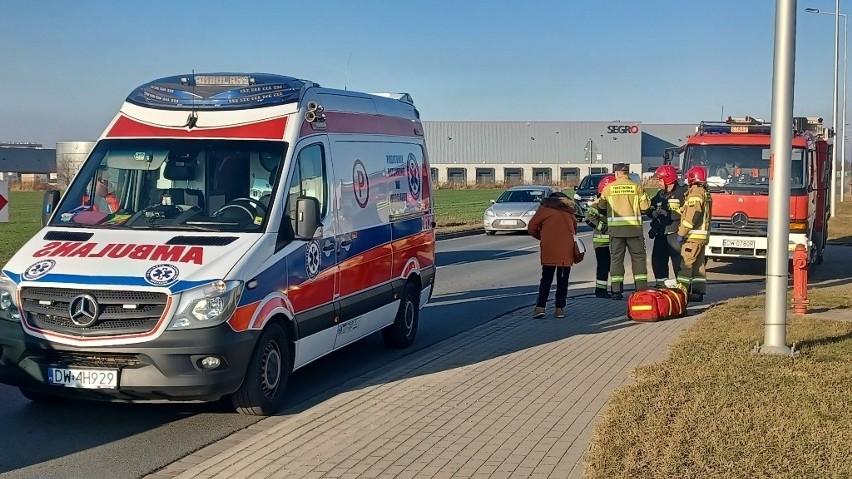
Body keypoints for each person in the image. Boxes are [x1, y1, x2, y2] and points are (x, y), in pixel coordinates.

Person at [591, 163, 651, 300]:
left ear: (616, 173)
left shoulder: (608, 189)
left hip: (616, 232)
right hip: (634, 231)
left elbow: (601, 206)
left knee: (616, 260)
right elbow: (645, 206)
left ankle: (616, 291)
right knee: (638, 260)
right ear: (627, 173)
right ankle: (641, 290)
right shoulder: (637, 187)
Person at [527, 191, 578, 319]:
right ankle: (559, 309)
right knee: (563, 280)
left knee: (546, 279)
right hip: (566, 249)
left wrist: (543, 237)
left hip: (549, 247)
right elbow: (574, 229)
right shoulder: (569, 211)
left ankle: (540, 308)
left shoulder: (544, 209)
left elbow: (531, 227)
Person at [648, 165, 689, 287]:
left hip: (675, 233)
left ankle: (683, 288)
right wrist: (652, 213)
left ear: (668, 179)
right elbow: (650, 207)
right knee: (658, 260)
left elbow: (687, 212)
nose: (658, 183)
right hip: (661, 233)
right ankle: (661, 286)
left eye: (660, 180)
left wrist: (668, 213)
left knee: (678, 262)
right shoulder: (660, 194)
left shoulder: (683, 192)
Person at [676, 166, 712, 302]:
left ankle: (680, 293)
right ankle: (698, 292)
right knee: (698, 266)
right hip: (702, 237)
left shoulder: (695, 194)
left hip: (693, 237)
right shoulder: (705, 193)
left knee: (686, 264)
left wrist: (681, 233)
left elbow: (692, 215)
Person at [584, 174, 616, 298]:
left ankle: (615, 290)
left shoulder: (613, 203)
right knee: (604, 266)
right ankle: (601, 290)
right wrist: (604, 227)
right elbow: (589, 218)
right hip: (602, 242)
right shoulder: (597, 205)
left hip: (614, 241)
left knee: (615, 266)